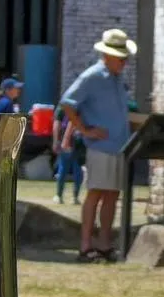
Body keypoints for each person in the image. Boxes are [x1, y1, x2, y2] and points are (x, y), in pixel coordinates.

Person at [59, 28, 138, 263]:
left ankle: (104, 244)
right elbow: (67, 103)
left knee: (112, 195)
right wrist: (84, 130)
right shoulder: (91, 76)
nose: (124, 62)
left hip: (119, 146)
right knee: (95, 193)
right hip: (100, 146)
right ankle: (85, 246)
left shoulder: (118, 78)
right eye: (120, 57)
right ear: (107, 55)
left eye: (125, 57)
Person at [52, 107, 85, 204]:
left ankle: (59, 195)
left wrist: (57, 141)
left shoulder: (61, 108)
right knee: (77, 169)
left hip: (68, 143)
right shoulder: (80, 105)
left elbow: (57, 125)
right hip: (79, 142)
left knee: (63, 168)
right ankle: (75, 197)